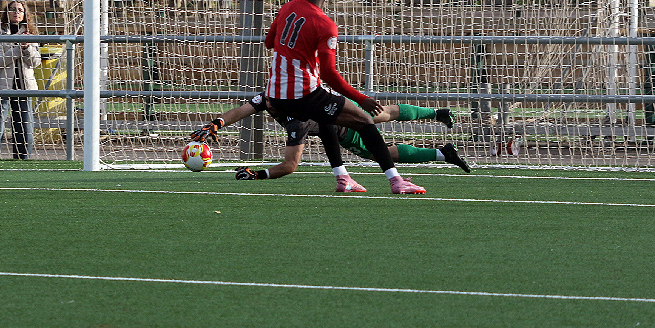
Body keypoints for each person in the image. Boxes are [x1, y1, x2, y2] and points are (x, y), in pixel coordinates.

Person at [259, 0, 427, 194]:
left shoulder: (287, 7)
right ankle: (397, 181)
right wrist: (362, 99)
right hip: (303, 93)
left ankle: (343, 178)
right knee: (364, 120)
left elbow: (269, 42)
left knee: (326, 118)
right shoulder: (325, 25)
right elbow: (328, 74)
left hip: (275, 96)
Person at [192, 95, 470, 185]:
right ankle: (438, 117)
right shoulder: (273, 96)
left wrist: (257, 174)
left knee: (379, 152)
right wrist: (216, 123)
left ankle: (442, 151)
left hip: (341, 128)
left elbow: (290, 165)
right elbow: (242, 109)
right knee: (381, 113)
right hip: (335, 105)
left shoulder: (296, 122)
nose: (266, 103)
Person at [0, 0, 42, 160]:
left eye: (20, 10)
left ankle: (23, 158)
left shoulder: (30, 35)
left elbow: (35, 62)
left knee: (25, 125)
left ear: (25, 14)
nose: (16, 12)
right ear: (6, 12)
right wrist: (17, 48)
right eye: (13, 9)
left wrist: (26, 48)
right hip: (3, 86)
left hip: (24, 87)